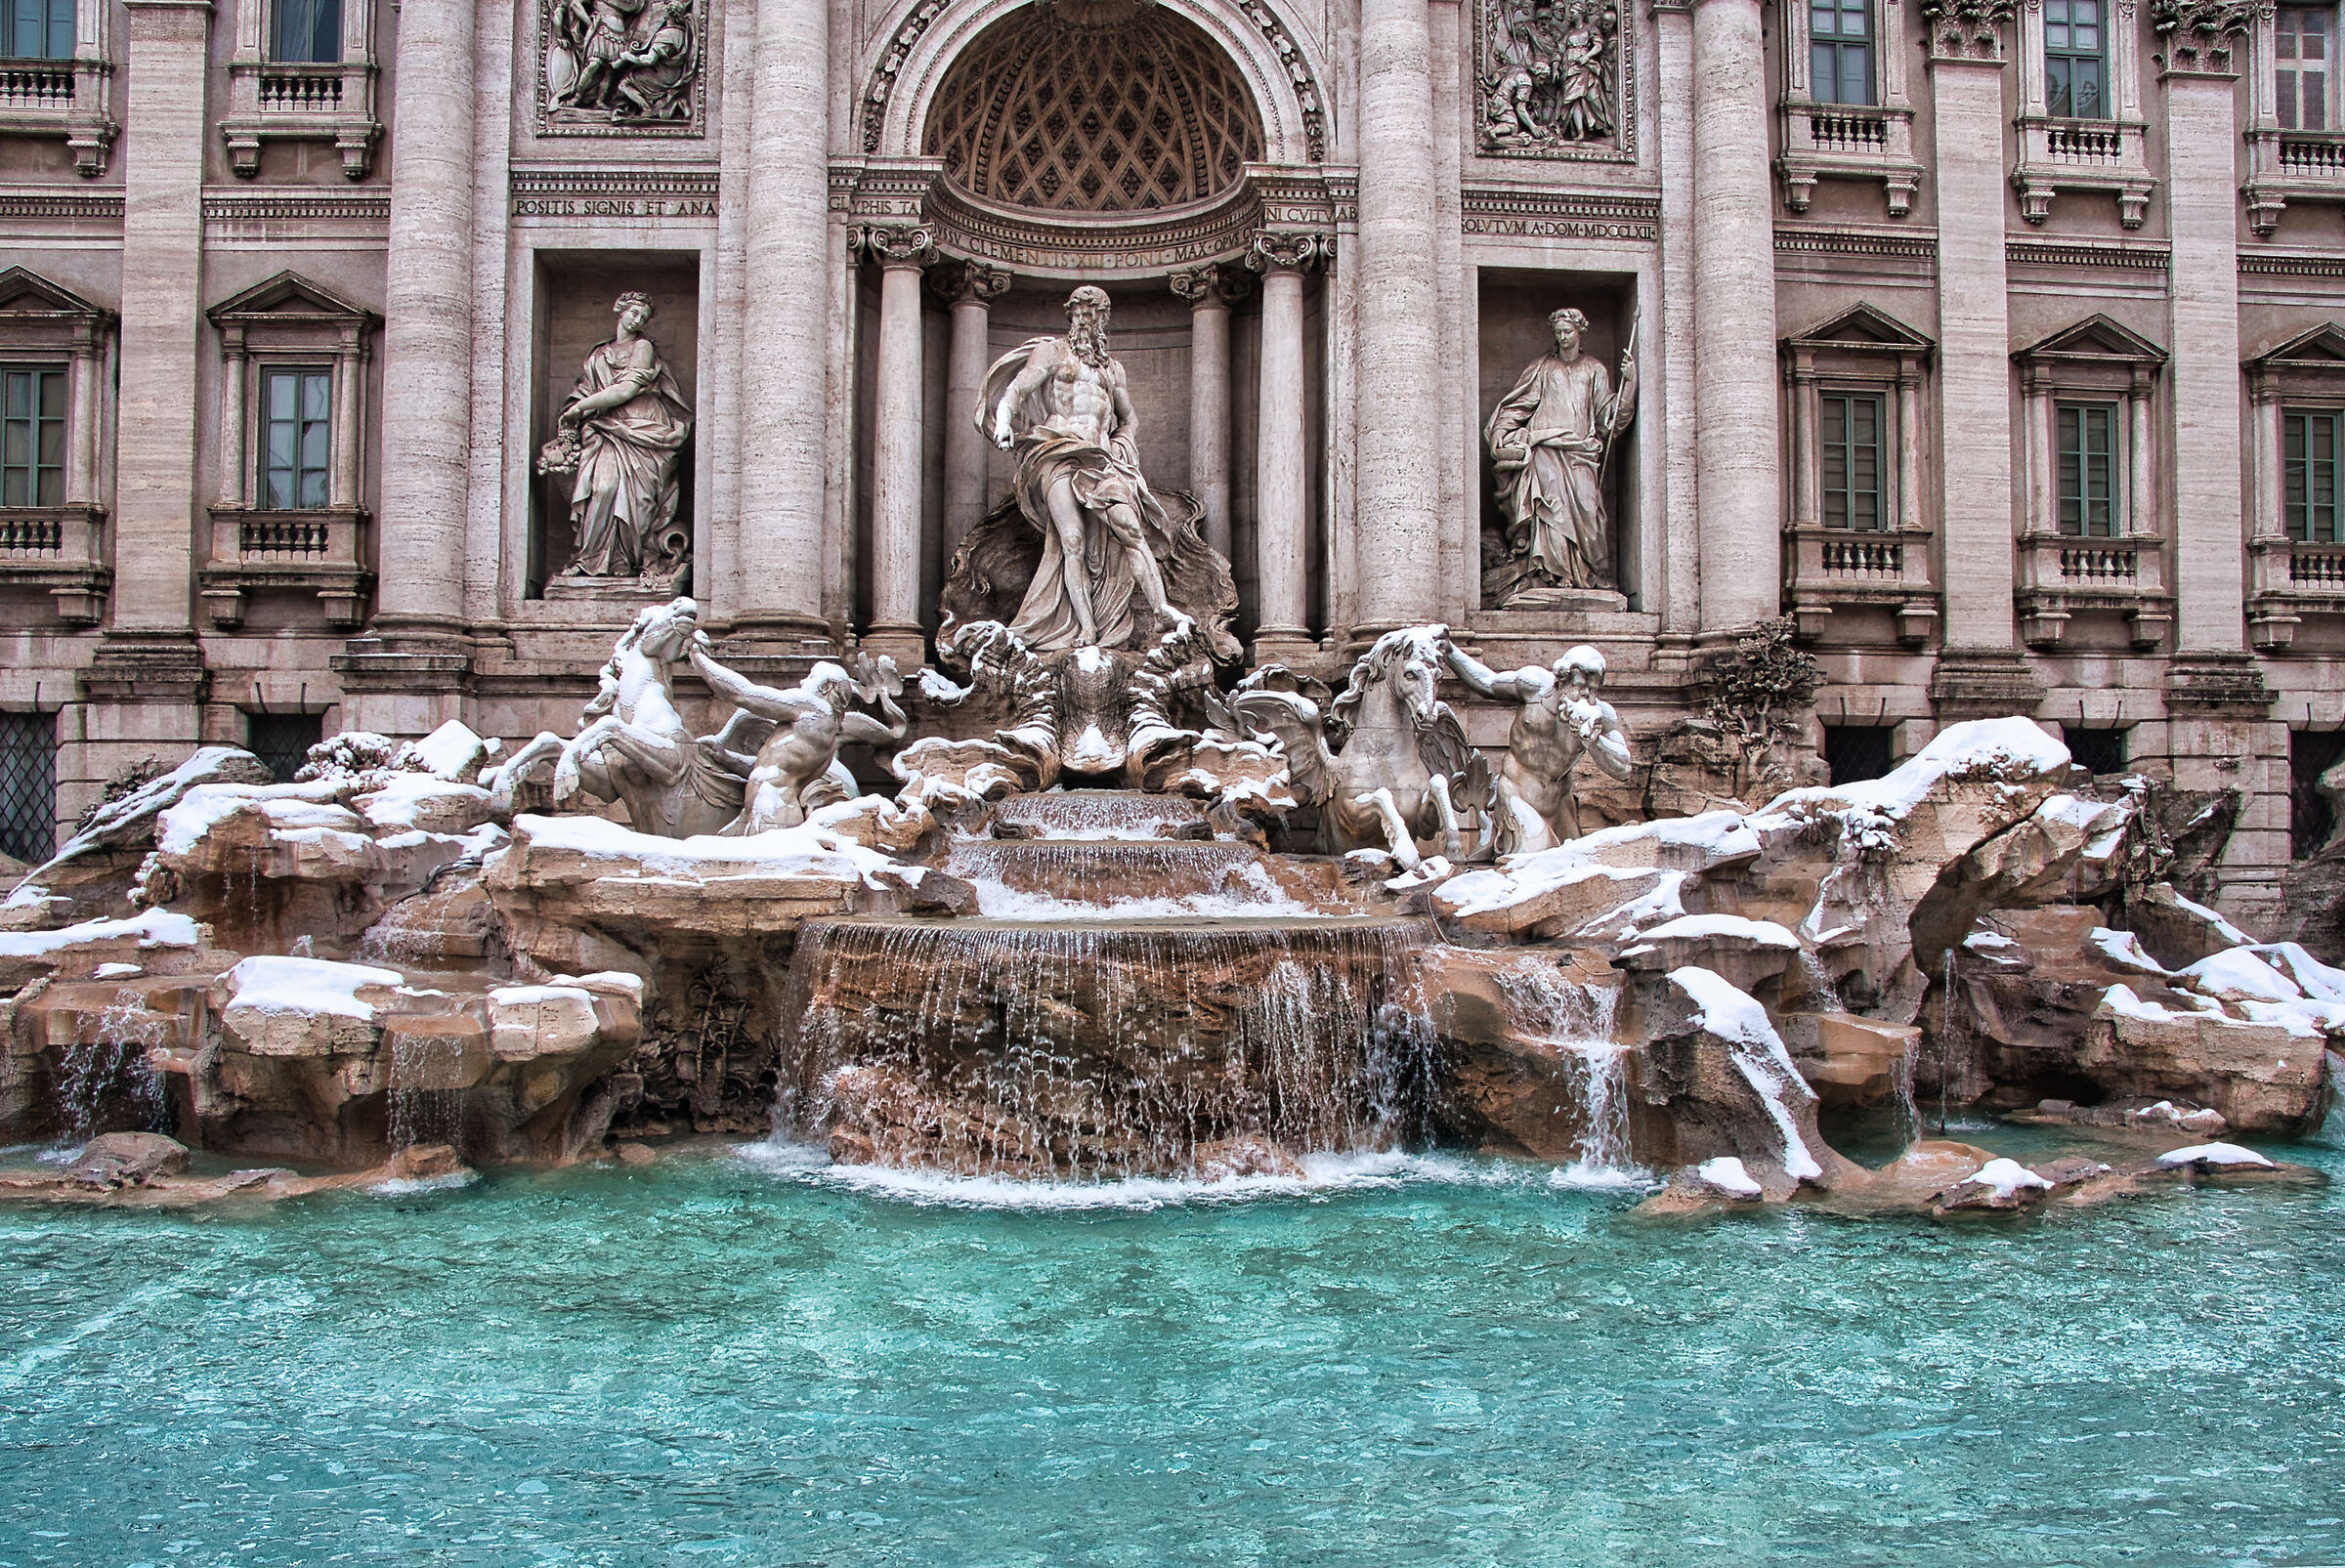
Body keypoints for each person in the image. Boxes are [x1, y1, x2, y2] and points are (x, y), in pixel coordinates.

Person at [975, 285, 1190, 653]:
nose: (1086, 320)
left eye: (1094, 313)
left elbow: (1130, 418)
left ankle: (1161, 610)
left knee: (1130, 527)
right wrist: (1005, 421)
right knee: (1071, 539)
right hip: (1055, 450)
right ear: (1070, 315)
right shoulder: (1052, 353)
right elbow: (1019, 388)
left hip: (1101, 458)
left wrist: (1123, 444)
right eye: (1080, 312)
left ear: (1105, 320)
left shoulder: (1112, 370)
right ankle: (1086, 629)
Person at [1484, 306, 1636, 597]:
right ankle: (1553, 574)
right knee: (1549, 508)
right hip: (1545, 449)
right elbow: (1519, 405)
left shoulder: (1594, 370)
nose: (1563, 337)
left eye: (1568, 332)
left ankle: (1584, 573)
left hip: (1580, 452)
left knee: (1588, 509)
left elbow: (1609, 419)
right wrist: (1502, 432)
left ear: (1580, 332)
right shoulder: (1543, 368)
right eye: (1559, 333)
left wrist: (1629, 383)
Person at [549, 292, 693, 582]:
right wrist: (577, 409)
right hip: (605, 429)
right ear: (620, 311)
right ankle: (590, 559)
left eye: (643, 316)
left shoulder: (642, 348)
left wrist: (579, 408)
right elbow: (585, 390)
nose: (637, 319)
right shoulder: (598, 355)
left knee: (637, 501)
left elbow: (625, 390)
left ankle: (625, 563)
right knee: (602, 489)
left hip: (642, 429)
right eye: (633, 313)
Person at [1442, 639, 1633, 853]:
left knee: (1571, 865)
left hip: (1559, 802)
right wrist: (1450, 652)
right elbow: (1487, 682)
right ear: (1561, 681)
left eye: (1593, 689)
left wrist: (1593, 740)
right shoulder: (1533, 686)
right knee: (1532, 856)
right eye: (1579, 687)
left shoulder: (1601, 716)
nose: (1586, 695)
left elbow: (1623, 768)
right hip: (1517, 791)